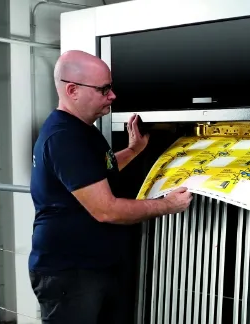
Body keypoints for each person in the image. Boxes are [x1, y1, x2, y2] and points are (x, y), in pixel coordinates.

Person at [28, 50, 192, 323]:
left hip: (90, 266)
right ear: (73, 90)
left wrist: (132, 150)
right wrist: (168, 205)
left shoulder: (80, 128)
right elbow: (107, 210)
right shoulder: (64, 137)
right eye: (104, 90)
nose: (112, 96)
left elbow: (91, 173)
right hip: (71, 272)